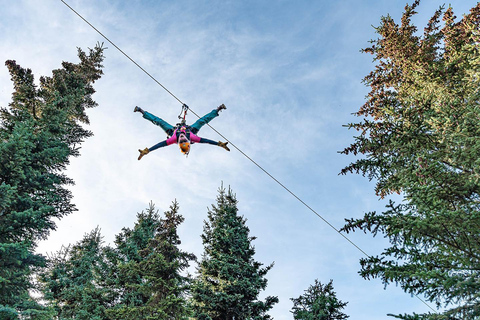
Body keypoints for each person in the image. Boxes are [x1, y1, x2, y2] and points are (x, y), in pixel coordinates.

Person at [134, 104, 230, 160]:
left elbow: (159, 145)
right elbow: (207, 141)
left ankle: (141, 110)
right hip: (191, 130)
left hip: (172, 131)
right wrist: (219, 144)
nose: (182, 138)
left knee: (159, 122)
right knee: (202, 121)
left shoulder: (173, 139)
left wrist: (148, 151)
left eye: (181, 141)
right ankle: (218, 108)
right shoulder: (193, 138)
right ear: (188, 141)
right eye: (184, 140)